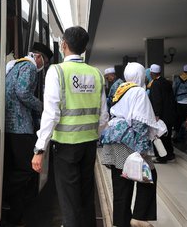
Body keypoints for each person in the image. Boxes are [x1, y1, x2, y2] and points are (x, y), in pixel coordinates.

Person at [31, 26, 109, 227]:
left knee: (69, 200)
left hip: (66, 146)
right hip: (89, 144)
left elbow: (51, 114)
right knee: (85, 197)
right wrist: (93, 134)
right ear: (84, 48)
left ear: (64, 45)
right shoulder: (96, 74)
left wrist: (40, 148)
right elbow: (103, 117)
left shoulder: (56, 71)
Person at [100, 62, 167, 227]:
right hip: (130, 141)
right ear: (139, 76)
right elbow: (138, 122)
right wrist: (142, 149)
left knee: (121, 182)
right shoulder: (138, 91)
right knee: (148, 177)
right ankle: (139, 217)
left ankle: (121, 222)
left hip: (114, 139)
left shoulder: (120, 89)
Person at [3, 42, 53, 226]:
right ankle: (5, 192)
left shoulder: (15, 65)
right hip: (20, 126)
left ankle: (14, 213)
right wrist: (43, 107)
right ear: (38, 57)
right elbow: (23, 93)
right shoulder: (29, 66)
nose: (42, 67)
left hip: (8, 126)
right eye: (44, 63)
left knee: (15, 167)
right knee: (27, 169)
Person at [148, 64, 177, 163]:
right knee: (167, 136)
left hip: (161, 115)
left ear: (152, 73)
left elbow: (157, 100)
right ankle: (170, 155)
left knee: (159, 136)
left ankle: (162, 157)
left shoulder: (155, 84)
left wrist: (156, 114)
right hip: (169, 114)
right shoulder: (166, 82)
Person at [172, 64, 187, 142]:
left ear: (183, 71)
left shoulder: (178, 79)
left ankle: (177, 135)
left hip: (179, 101)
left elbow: (174, 88)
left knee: (179, 120)